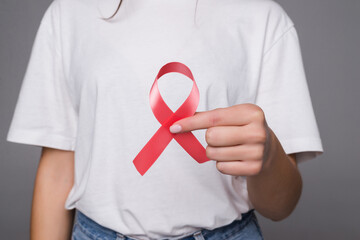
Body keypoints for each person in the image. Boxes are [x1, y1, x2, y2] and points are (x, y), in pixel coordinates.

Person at [6, 0, 324, 239]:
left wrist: (268, 157)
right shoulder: (70, 12)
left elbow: (280, 207)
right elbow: (59, 172)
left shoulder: (263, 18)